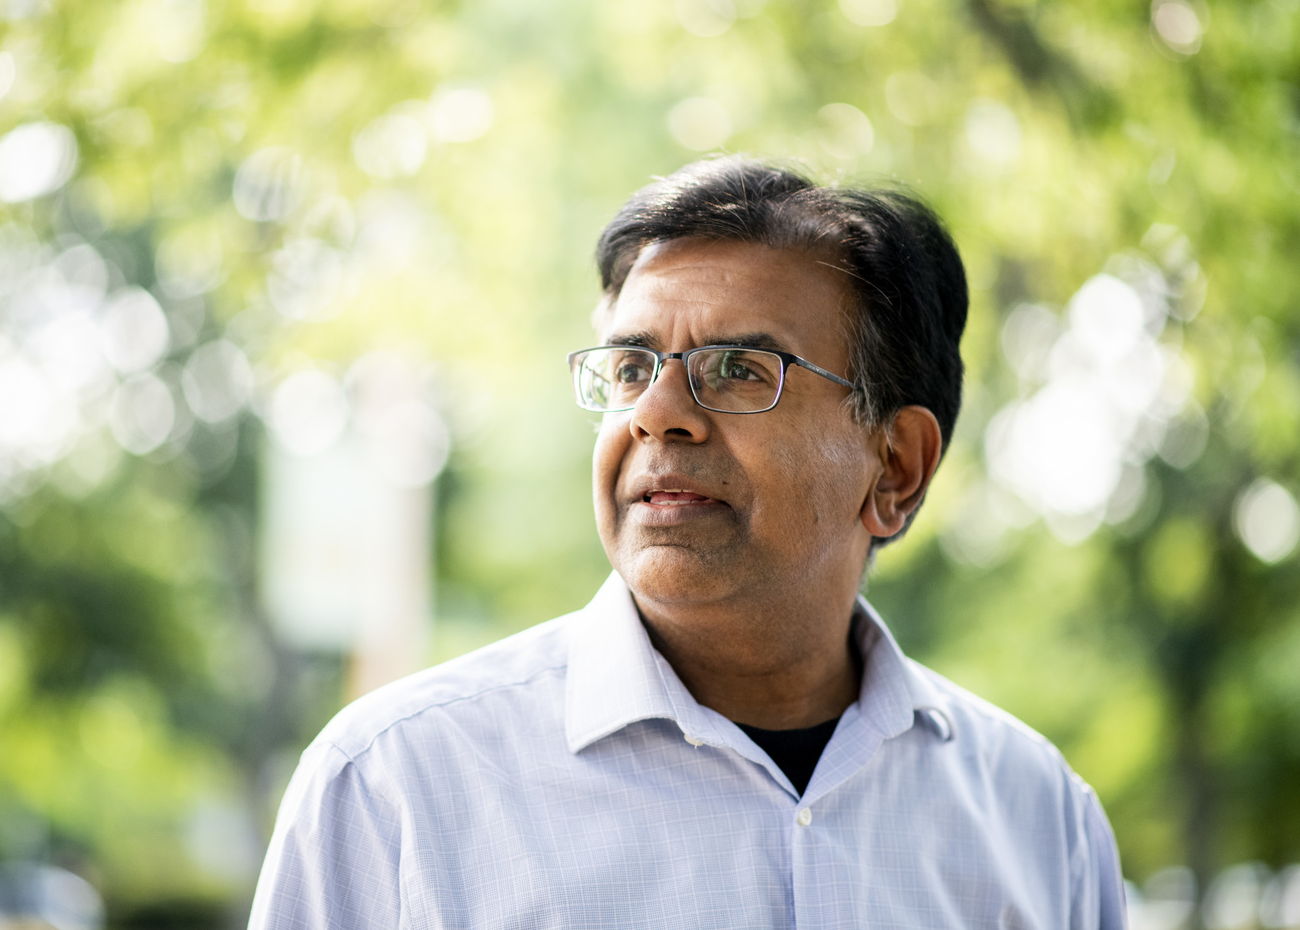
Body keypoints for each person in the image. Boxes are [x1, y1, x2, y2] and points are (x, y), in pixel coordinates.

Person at [248, 157, 1127, 928]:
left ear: (895, 466)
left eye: (742, 369)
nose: (656, 415)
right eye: (630, 367)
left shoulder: (1041, 821)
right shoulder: (392, 789)